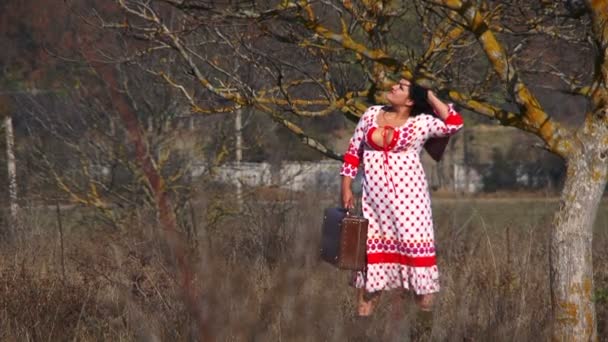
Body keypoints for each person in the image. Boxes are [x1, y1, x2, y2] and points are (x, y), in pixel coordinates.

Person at [340, 79, 464, 316]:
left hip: (411, 210)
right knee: (369, 279)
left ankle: (420, 331)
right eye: (396, 84)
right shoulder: (371, 114)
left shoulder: (422, 122)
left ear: (410, 100)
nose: (393, 87)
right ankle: (361, 330)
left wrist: (428, 95)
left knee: (418, 277)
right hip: (374, 209)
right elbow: (353, 154)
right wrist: (346, 188)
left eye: (401, 87)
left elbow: (454, 123)